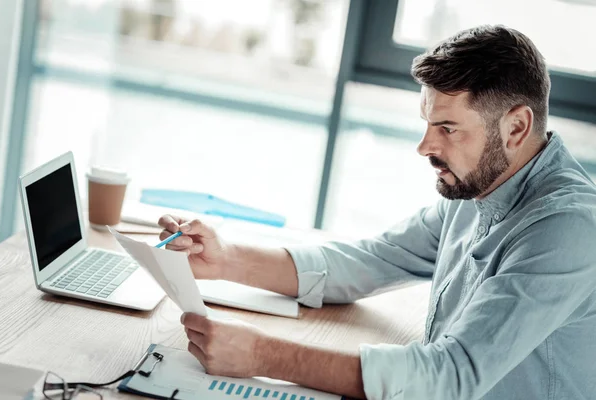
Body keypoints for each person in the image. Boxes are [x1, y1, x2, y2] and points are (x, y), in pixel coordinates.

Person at [158, 25, 596, 400]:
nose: (425, 146)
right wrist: (228, 259)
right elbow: (373, 259)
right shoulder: (478, 188)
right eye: (427, 123)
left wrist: (262, 355)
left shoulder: (568, 229)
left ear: (516, 127)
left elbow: (450, 376)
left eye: (447, 128)